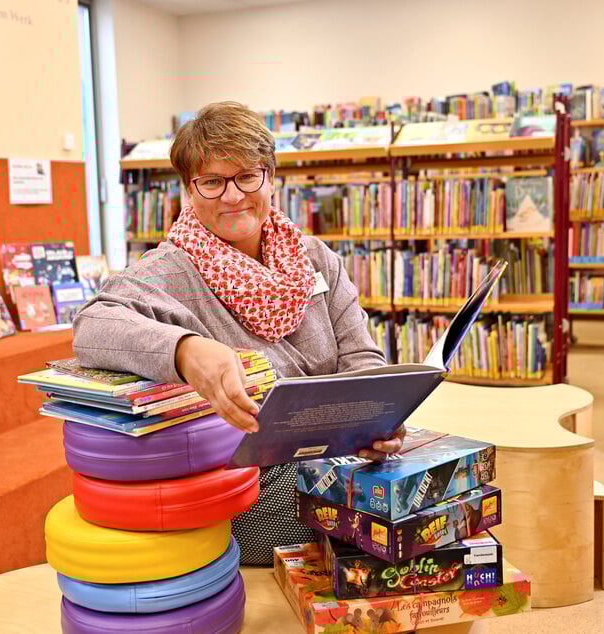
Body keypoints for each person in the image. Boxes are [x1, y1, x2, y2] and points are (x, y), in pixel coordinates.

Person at [72, 101, 405, 566]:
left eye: (247, 176)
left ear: (271, 176)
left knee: (426, 499)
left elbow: (361, 356)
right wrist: (186, 351)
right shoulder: (168, 271)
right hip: (260, 487)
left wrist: (379, 416)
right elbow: (92, 327)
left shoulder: (314, 257)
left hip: (345, 456)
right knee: (389, 534)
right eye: (211, 182)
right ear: (189, 190)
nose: (232, 196)